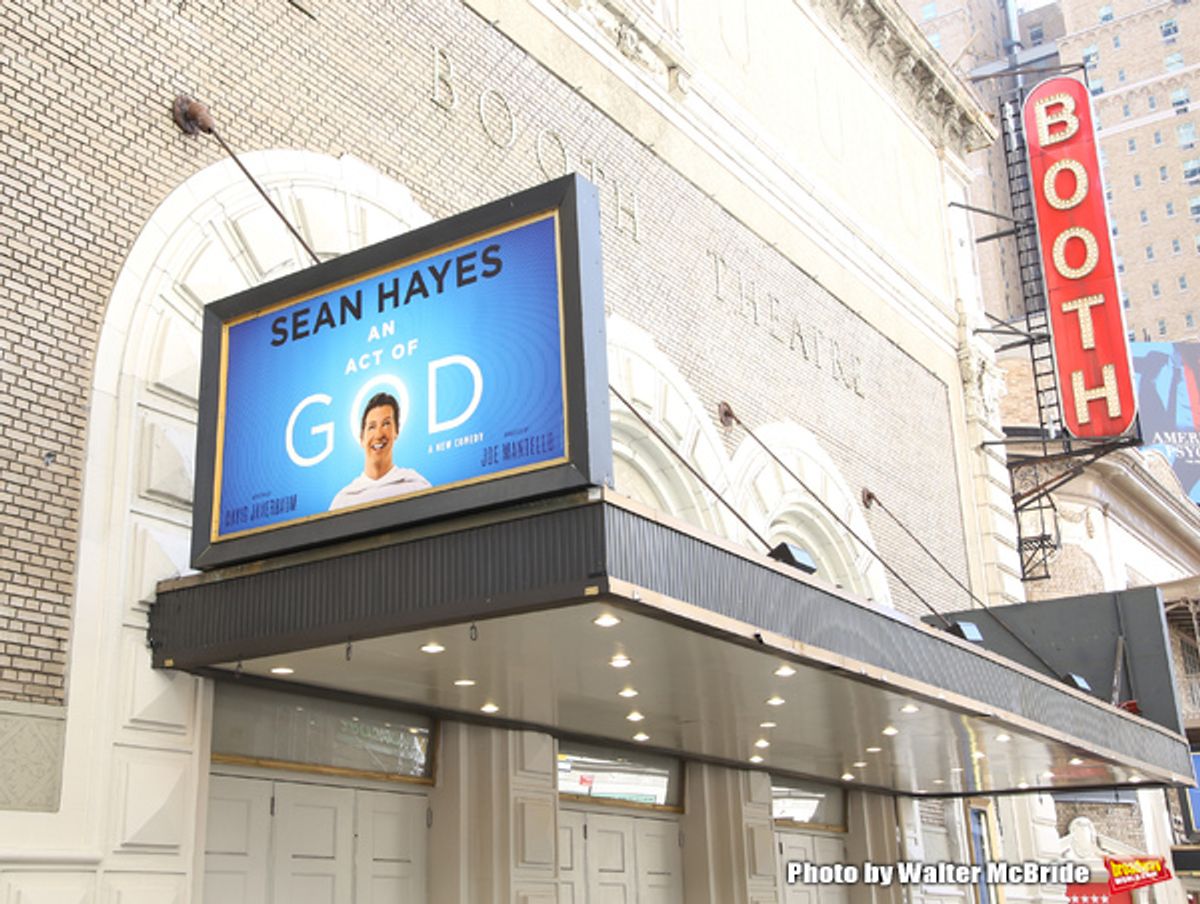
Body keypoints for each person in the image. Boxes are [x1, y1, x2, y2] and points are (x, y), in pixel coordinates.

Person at [329, 391, 431, 510]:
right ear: (362, 438)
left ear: (396, 431)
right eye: (372, 427)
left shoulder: (415, 487)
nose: (378, 434)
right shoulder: (343, 501)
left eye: (386, 424)